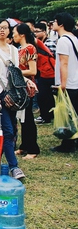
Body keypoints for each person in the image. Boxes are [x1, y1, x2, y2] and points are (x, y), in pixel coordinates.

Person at [0, 19, 25, 179]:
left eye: (6, 28)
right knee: (7, 130)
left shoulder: (14, 50)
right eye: (0, 28)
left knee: (13, 129)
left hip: (14, 95)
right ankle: (14, 167)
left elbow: (17, 73)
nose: (3, 30)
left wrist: (27, 83)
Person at [11, 23, 40, 159]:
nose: (13, 35)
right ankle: (24, 146)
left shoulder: (30, 48)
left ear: (22, 34)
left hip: (28, 88)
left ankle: (33, 148)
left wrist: (16, 72)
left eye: (15, 32)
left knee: (28, 118)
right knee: (22, 118)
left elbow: (33, 70)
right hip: (20, 87)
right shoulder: (19, 49)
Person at [50, 12, 78, 153]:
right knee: (74, 113)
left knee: (68, 115)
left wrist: (62, 84)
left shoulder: (62, 41)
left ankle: (68, 143)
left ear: (61, 24)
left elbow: (64, 63)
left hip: (69, 83)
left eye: (55, 21)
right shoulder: (74, 39)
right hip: (76, 81)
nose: (52, 24)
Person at [32, 22, 57, 125]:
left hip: (49, 73)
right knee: (44, 96)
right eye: (34, 32)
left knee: (45, 96)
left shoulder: (49, 43)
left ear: (44, 31)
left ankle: (46, 116)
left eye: (37, 31)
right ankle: (47, 115)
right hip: (42, 73)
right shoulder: (38, 44)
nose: (36, 34)